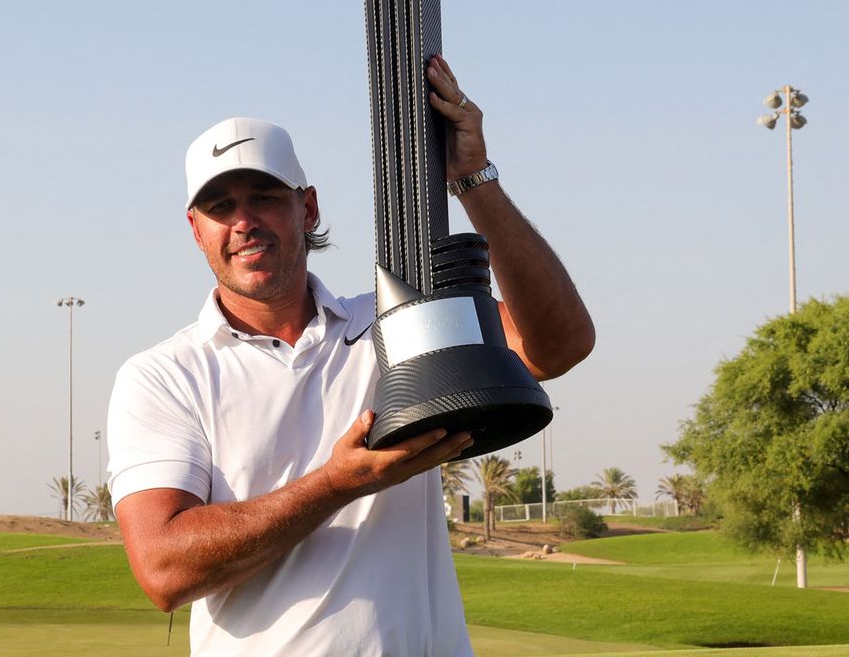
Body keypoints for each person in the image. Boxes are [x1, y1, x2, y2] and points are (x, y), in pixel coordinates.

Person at [108, 55, 594, 656]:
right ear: (195, 229)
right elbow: (163, 570)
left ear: (307, 209)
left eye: (264, 196)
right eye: (220, 208)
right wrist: (337, 485)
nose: (244, 222)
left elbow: (559, 344)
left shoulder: (396, 323)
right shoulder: (164, 376)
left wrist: (474, 180)